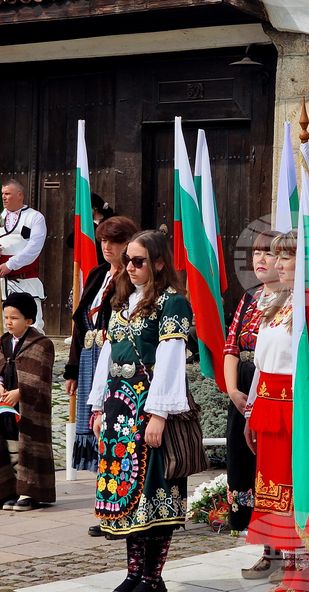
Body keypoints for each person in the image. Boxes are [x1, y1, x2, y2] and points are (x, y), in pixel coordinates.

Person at [87, 230, 193, 592]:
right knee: (126, 493)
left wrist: (159, 414)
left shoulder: (172, 303)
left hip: (147, 404)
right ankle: (133, 574)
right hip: (118, 406)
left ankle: (152, 577)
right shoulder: (123, 300)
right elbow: (107, 356)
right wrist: (98, 406)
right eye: (126, 260)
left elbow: (170, 360)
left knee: (155, 491)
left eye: (138, 261)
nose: (129, 267)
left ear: (159, 263)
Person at [244, 231, 309, 592]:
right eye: (277, 256)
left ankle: (302, 573)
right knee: (273, 492)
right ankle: (288, 565)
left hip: (294, 407)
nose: (277, 264)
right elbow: (261, 363)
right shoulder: (274, 302)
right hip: (268, 403)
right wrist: (253, 410)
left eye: (286, 257)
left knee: (295, 488)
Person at [223, 229, 283, 580]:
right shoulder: (249, 299)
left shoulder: (292, 302)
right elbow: (231, 346)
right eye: (257, 253)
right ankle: (267, 549)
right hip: (242, 388)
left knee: (273, 468)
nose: (260, 260)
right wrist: (232, 389)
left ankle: (288, 550)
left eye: (269, 254)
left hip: (274, 389)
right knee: (244, 466)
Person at [65, 216, 138, 487]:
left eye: (115, 241)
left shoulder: (131, 279)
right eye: (104, 240)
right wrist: (71, 370)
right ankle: (103, 488)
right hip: (88, 358)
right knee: (92, 424)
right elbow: (79, 323)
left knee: (111, 421)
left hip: (115, 359)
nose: (107, 246)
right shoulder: (98, 274)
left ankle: (118, 487)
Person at [0, 292, 56, 511]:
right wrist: (0, 385)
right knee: (8, 439)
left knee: (28, 443)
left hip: (29, 407)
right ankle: (10, 488)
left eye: (14, 318)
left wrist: (21, 393)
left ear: (29, 321)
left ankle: (28, 491)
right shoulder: (1, 344)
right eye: (6, 318)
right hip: (4, 404)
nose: (9, 322)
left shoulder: (42, 344)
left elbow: (41, 377)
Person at [0, 180, 47, 337]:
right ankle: (5, 359)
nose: (3, 197)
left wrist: (11, 264)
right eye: (2, 194)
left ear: (19, 195)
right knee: (0, 327)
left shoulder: (35, 217)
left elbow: (34, 247)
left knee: (33, 325)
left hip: (25, 280)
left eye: (7, 194)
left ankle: (31, 359)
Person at [66, 192, 116, 267]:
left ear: (95, 207)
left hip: (108, 264)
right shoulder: (86, 224)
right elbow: (71, 242)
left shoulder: (111, 221)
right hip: (89, 264)